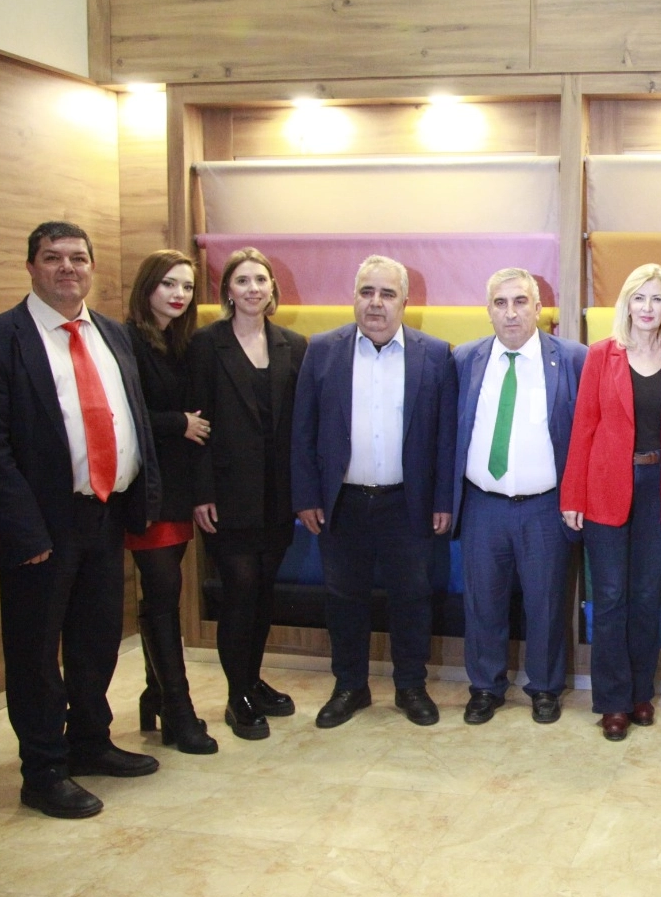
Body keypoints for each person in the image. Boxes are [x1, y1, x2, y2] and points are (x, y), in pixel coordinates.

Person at [0, 221, 161, 818]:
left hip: (105, 512)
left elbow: (132, 419)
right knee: (36, 654)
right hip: (40, 527)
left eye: (77, 257)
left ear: (92, 267)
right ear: (31, 267)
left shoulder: (114, 335)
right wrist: (24, 530)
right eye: (52, 257)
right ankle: (43, 770)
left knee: (97, 640)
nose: (67, 267)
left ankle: (90, 742)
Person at [291, 256, 457, 729]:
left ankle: (411, 686)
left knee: (412, 597)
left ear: (405, 301)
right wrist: (306, 496)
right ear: (354, 297)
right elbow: (303, 430)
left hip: (408, 502)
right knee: (343, 599)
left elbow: (446, 437)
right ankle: (350, 686)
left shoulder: (435, 354)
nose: (376, 303)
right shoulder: (322, 350)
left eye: (387, 293)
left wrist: (442, 500)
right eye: (367, 292)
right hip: (341, 503)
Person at [561, 264, 661, 741]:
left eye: (656, 298)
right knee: (611, 598)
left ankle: (642, 693)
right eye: (638, 298)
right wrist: (573, 495)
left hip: (659, 487)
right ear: (626, 304)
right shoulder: (602, 355)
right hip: (605, 487)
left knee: (644, 598)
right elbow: (583, 427)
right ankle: (613, 701)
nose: (647, 307)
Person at [451, 269, 586, 725]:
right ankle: (485, 687)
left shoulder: (572, 359)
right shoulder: (464, 359)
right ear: (488, 309)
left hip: (545, 506)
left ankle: (545, 688)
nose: (510, 312)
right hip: (482, 504)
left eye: (520, 301)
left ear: (538, 308)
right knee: (482, 602)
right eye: (500, 302)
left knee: (546, 603)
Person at [187, 247, 308, 740]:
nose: (253, 288)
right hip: (226, 494)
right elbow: (195, 424)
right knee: (239, 591)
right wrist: (201, 492)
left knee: (262, 593)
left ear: (272, 289)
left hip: (276, 495)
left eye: (261, 280)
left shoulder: (293, 344)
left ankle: (252, 681)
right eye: (242, 280)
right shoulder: (205, 344)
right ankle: (236, 696)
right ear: (228, 291)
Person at [123, 249, 217, 755]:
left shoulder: (181, 343)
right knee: (162, 595)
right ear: (147, 287)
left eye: (186, 286)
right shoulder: (126, 341)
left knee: (162, 596)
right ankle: (178, 710)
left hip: (178, 489)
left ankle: (154, 694)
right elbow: (125, 414)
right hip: (147, 491)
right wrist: (177, 422)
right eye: (168, 284)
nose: (179, 294)